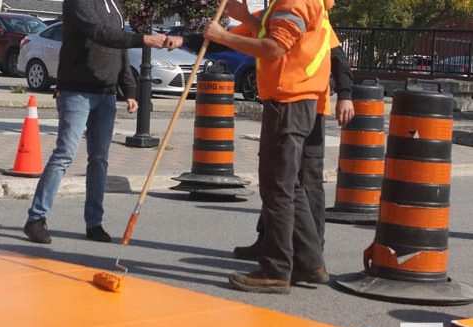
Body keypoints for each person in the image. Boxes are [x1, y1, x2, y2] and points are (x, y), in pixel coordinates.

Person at [167, 0, 335, 294]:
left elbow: (274, 47)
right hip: (298, 98)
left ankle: (276, 270)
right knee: (290, 187)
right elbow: (274, 36)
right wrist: (245, 18)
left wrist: (223, 36)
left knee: (277, 187)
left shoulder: (292, 2)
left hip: (289, 99)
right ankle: (310, 263)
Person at [23, 0, 167, 244]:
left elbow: (119, 46)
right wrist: (143, 39)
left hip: (106, 92)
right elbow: (101, 34)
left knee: (99, 159)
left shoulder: (116, 6)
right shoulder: (79, 2)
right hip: (76, 91)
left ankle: (94, 223)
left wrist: (129, 90)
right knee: (65, 154)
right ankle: (36, 218)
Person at [233, 28, 355, 264]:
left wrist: (345, 94)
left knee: (305, 181)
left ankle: (311, 251)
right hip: (291, 103)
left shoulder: (310, 13)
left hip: (307, 107)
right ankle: (269, 240)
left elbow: (337, 57)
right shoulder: (285, 12)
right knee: (280, 177)